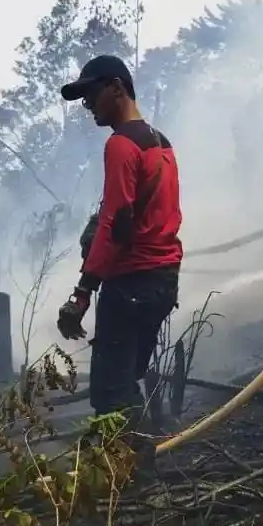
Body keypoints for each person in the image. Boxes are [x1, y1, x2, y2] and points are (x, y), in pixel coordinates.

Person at [55, 55, 182, 459]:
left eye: (91, 94)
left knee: (110, 394)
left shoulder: (121, 145)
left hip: (130, 282)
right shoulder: (162, 143)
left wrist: (81, 292)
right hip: (163, 280)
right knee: (128, 380)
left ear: (116, 87)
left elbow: (118, 224)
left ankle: (125, 479)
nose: (87, 104)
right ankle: (138, 466)